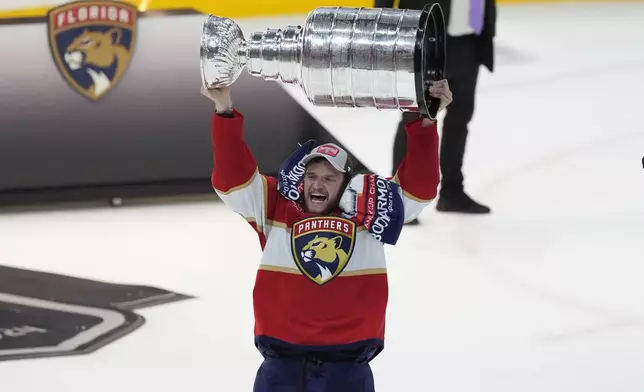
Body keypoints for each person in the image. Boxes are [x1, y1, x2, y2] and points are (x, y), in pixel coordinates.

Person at [201, 79, 452, 392]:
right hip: (282, 363)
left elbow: (420, 188)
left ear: (345, 183)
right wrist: (223, 110)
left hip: (347, 366)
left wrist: (427, 121)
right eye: (312, 176)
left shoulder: (369, 211)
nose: (317, 185)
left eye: (329, 178)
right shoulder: (276, 206)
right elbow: (232, 180)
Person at [376, 0, 497, 217]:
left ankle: (452, 192)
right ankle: (396, 198)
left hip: (470, 42)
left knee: (460, 119)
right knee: (414, 118)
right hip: (426, 40)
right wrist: (384, 32)